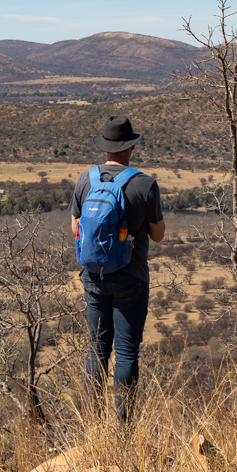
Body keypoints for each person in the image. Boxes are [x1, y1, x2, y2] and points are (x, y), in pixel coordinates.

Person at [69, 114, 165, 420]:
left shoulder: (86, 179)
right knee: (126, 352)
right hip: (131, 279)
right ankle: (124, 429)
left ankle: (93, 425)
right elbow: (159, 236)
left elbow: (75, 229)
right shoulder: (145, 184)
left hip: (93, 277)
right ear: (131, 148)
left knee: (97, 349)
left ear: (105, 148)